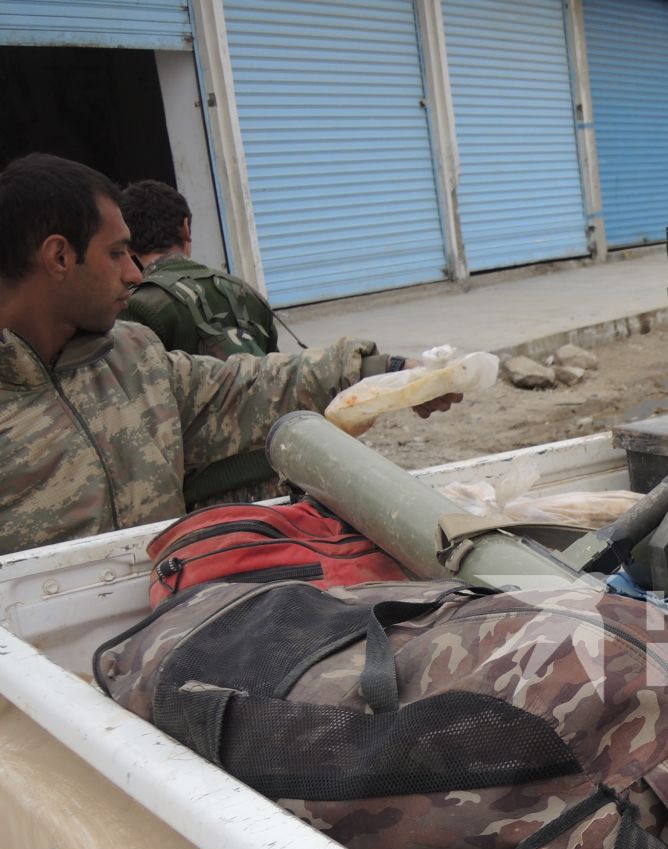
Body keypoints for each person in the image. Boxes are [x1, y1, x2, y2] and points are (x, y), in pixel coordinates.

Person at [0, 154, 451, 555]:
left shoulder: (132, 357)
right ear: (59, 256)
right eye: (117, 253)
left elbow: (246, 388)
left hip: (167, 613)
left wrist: (389, 374)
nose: (134, 274)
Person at [118, 178, 278, 360]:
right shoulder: (245, 292)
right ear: (186, 228)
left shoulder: (132, 306)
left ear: (128, 245)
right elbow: (279, 374)